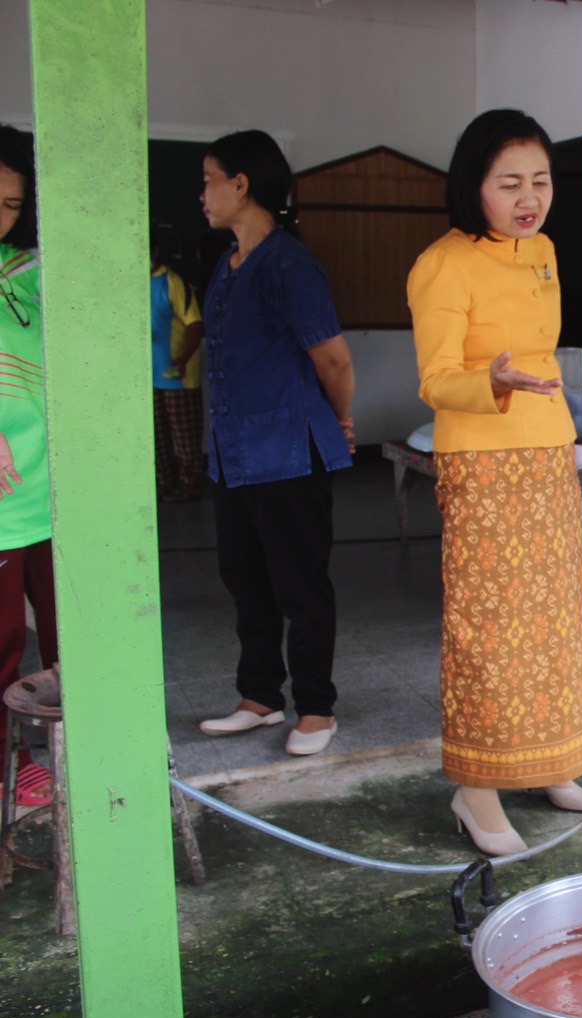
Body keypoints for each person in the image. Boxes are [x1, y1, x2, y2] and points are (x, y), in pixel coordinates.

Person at [407, 108, 582, 857]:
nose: (530, 197)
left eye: (541, 181)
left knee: (555, 623)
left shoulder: (544, 249)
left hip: (547, 452)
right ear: (474, 187)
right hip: (483, 461)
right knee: (489, 633)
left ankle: (552, 761)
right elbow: (435, 380)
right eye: (509, 183)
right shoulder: (442, 262)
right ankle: (477, 790)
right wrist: (489, 377)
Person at [194, 130, 356, 758]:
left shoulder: (289, 263)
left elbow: (334, 360)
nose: (201, 194)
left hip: (290, 452)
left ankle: (316, 707)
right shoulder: (227, 263)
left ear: (241, 184)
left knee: (300, 584)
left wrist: (340, 422)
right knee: (244, 577)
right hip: (234, 454)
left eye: (209, 179)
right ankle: (260, 696)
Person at [0, 124, 57, 807]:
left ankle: (72, 749)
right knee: (5, 644)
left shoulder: (35, 270)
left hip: (61, 489)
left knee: (73, 638)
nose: (1, 216)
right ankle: (11, 764)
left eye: (12, 203)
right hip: (5, 500)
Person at [150, 232, 206, 501]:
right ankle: (164, 486)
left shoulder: (172, 282)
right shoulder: (128, 284)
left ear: (155, 250)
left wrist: (182, 359)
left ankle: (190, 487)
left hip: (177, 376)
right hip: (145, 379)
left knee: (186, 440)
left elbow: (195, 324)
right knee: (157, 439)